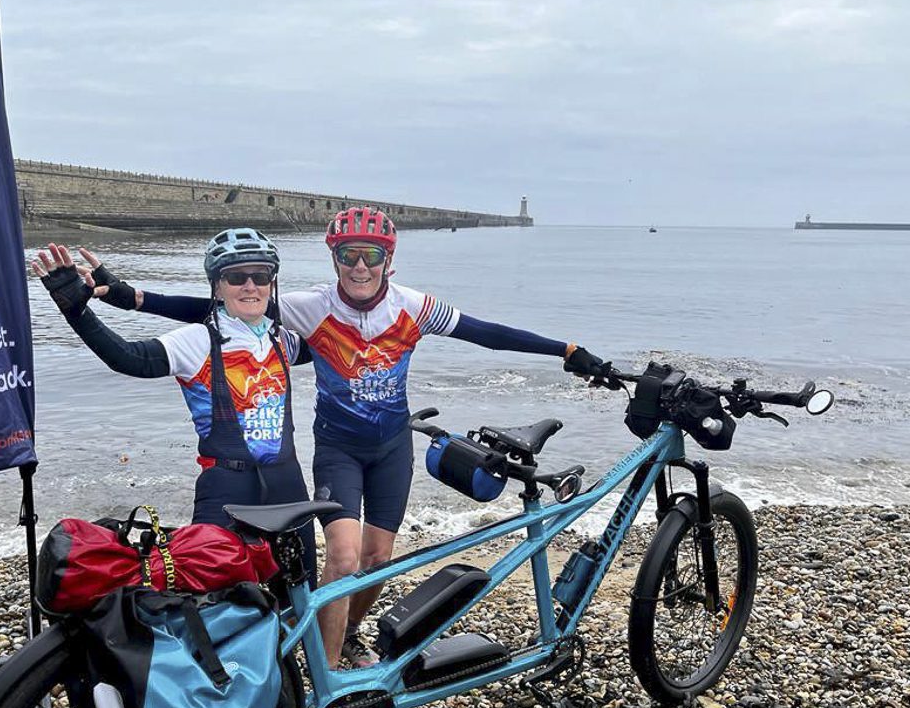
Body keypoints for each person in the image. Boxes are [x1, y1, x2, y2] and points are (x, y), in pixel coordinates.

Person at [84, 208, 608, 667]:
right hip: (338, 447)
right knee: (342, 558)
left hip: (391, 447)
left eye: (372, 257)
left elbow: (486, 333)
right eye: (350, 256)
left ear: (389, 261)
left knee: (378, 560)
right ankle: (328, 674)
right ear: (335, 259)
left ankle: (349, 632)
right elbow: (214, 308)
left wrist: (565, 350)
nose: (360, 267)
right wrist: (129, 296)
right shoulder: (306, 307)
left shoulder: (413, 306)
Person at [30, 229, 318, 583]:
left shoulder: (284, 340)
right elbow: (128, 357)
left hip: (288, 481)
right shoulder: (197, 340)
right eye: (235, 277)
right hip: (227, 486)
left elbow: (344, 340)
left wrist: (135, 297)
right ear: (216, 286)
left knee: (301, 590)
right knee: (218, 599)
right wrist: (76, 310)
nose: (249, 286)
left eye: (260, 276)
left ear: (272, 284)